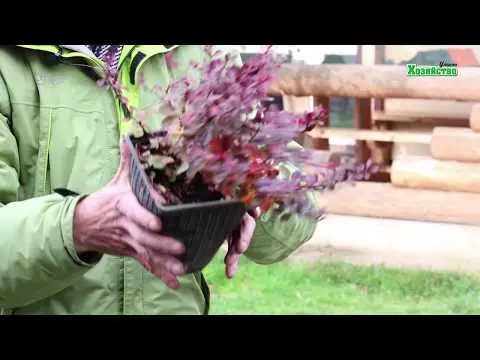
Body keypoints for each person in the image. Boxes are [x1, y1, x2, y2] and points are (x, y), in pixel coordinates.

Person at [0, 45, 318, 315]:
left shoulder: (199, 52)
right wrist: (76, 227)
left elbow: (293, 226)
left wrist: (248, 181)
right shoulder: (9, 63)